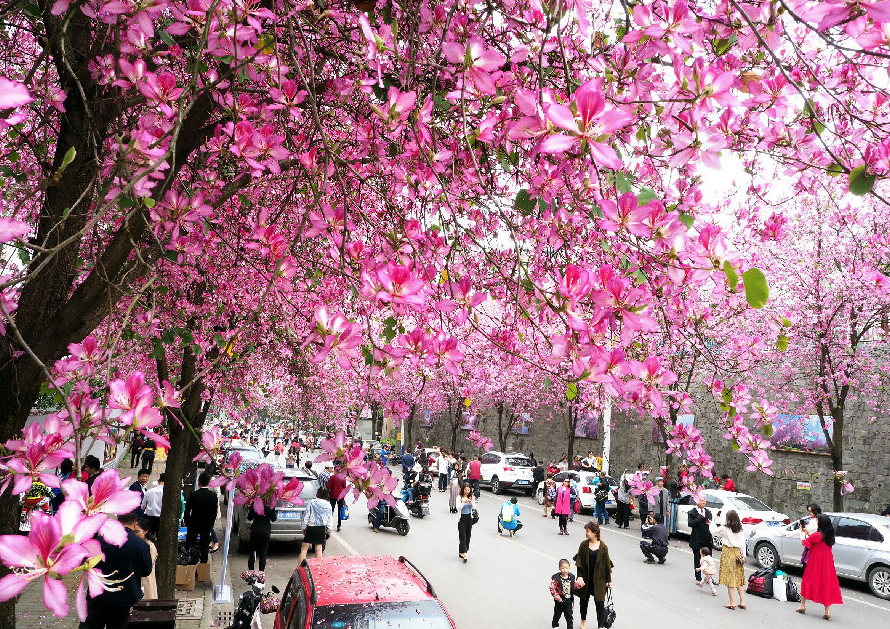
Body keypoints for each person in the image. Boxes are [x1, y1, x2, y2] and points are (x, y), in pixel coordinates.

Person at [83, 511, 152, 629]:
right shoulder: (141, 545)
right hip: (124, 596)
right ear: (135, 524)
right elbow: (146, 571)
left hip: (99, 594)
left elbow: (85, 562)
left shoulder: (101, 539)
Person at [797, 513, 843, 620]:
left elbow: (804, 543)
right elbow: (817, 541)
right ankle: (827, 611)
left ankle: (802, 605)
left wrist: (801, 532)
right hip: (827, 562)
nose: (816, 521)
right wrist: (809, 534)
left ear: (821, 523)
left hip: (815, 561)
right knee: (825, 583)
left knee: (807, 580)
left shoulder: (817, 535)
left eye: (817, 520)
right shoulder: (830, 535)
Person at [573, 522, 613, 629]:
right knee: (583, 601)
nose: (586, 533)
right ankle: (583, 621)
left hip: (599, 580)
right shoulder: (583, 545)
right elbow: (579, 562)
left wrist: (609, 581)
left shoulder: (603, 547)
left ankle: (600, 626)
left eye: (588, 531)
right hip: (586, 578)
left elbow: (607, 565)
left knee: (600, 603)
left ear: (594, 533)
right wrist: (579, 576)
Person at [183, 472, 218, 565]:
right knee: (204, 546)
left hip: (193, 523)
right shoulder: (213, 496)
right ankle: (203, 565)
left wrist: (187, 522)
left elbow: (187, 511)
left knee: (190, 544)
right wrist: (211, 524)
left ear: (199, 482)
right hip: (206, 525)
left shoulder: (194, 495)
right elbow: (214, 512)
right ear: (208, 483)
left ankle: (189, 562)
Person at [718, 509, 747, 609]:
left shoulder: (724, 529)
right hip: (738, 554)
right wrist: (743, 557)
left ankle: (732, 602)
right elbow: (743, 545)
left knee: (730, 579)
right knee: (739, 578)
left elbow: (712, 531)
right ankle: (742, 602)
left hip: (728, 553)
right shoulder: (740, 530)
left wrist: (713, 521)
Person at [300, 487, 333, 562]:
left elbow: (306, 516)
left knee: (304, 549)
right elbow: (330, 519)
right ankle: (318, 569)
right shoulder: (328, 505)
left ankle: (299, 568)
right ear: (326, 496)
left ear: (317, 494)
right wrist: (328, 531)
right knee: (318, 549)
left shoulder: (312, 502)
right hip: (321, 529)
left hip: (311, 528)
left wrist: (304, 527)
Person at [550, 558, 585, 629]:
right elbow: (552, 588)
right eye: (563, 568)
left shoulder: (571, 577)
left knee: (569, 617)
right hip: (559, 601)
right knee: (557, 615)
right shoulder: (557, 579)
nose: (565, 570)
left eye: (566, 568)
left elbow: (573, 585)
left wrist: (579, 585)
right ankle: (555, 625)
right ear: (559, 568)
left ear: (569, 568)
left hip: (568, 601)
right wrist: (557, 597)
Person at [688, 494, 714, 584]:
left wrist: (710, 522)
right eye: (701, 501)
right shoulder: (692, 512)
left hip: (706, 538)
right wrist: (700, 517)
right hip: (696, 538)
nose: (704, 502)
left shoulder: (708, 511)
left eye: (704, 501)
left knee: (709, 559)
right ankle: (698, 577)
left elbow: (710, 522)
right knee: (698, 559)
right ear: (697, 502)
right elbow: (690, 524)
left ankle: (709, 577)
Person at [247, 503, 277, 572]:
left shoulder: (255, 504)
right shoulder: (271, 505)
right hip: (265, 532)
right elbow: (273, 519)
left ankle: (251, 574)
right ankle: (261, 575)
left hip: (255, 530)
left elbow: (249, 517)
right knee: (263, 553)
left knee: (252, 552)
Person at [134, 518, 158, 600]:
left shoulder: (149, 546)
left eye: (137, 532)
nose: (134, 534)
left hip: (146, 580)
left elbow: (147, 566)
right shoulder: (139, 545)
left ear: (145, 531)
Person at [457, 484, 475, 563]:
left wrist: (471, 503)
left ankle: (461, 552)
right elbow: (458, 508)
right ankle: (465, 553)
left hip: (469, 518)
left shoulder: (471, 497)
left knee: (468, 536)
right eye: (466, 490)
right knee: (462, 536)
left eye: (468, 490)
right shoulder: (459, 497)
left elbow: (475, 508)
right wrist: (464, 502)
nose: (467, 492)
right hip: (461, 519)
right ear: (463, 490)